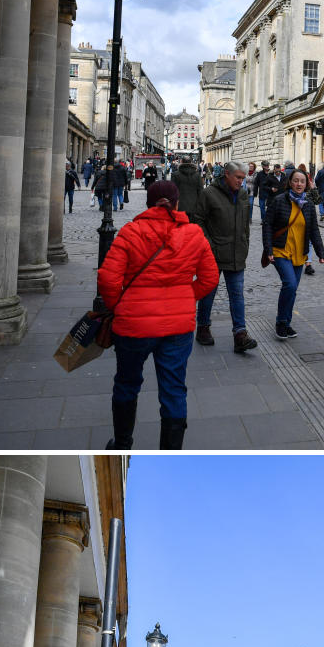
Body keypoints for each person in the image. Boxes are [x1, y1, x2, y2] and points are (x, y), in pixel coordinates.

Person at [97, 179, 219, 449]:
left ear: (149, 203)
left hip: (133, 325)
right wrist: (187, 297)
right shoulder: (194, 234)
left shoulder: (130, 232)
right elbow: (210, 278)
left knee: (127, 383)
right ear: (177, 204)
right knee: (174, 389)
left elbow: (107, 279)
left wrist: (120, 304)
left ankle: (122, 443)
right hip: (178, 327)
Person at [194, 160, 258, 353]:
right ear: (227, 175)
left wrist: (245, 241)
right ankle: (203, 327)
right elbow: (198, 220)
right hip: (213, 254)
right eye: (238, 177)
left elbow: (245, 222)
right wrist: (209, 245)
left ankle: (240, 334)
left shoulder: (244, 194)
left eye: (243, 178)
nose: (241, 181)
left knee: (237, 295)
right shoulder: (209, 194)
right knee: (208, 293)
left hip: (237, 253)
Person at [262, 167, 324, 338]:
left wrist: (321, 253)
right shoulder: (279, 200)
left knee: (292, 289)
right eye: (296, 180)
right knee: (289, 284)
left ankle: (287, 323)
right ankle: (281, 322)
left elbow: (314, 230)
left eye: (302, 181)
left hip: (300, 253)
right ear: (290, 182)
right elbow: (267, 225)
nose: (299, 184)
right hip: (280, 250)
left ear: (306, 184)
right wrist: (268, 249)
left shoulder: (309, 205)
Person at [172, 157, 204, 223]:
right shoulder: (197, 175)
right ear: (191, 162)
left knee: (181, 228)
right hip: (194, 206)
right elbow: (201, 191)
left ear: (181, 162)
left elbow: (173, 191)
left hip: (180, 207)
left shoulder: (175, 175)